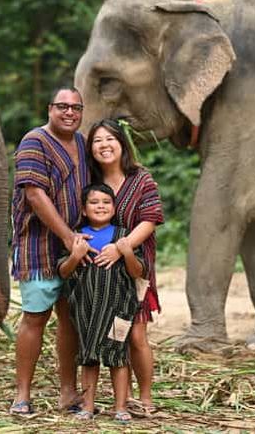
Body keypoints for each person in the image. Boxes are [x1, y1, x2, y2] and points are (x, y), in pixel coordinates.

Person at [9, 87, 90, 416]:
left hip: (76, 245)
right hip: (40, 246)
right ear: (49, 109)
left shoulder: (83, 143)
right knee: (35, 317)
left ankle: (68, 393)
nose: (69, 113)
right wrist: (68, 237)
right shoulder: (34, 142)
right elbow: (35, 195)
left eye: (76, 108)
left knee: (70, 319)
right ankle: (22, 395)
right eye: (62, 107)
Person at [86, 118, 164, 416]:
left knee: (136, 335)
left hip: (135, 267)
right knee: (111, 334)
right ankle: (123, 395)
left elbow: (151, 219)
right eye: (97, 141)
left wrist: (123, 247)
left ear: (121, 143)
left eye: (110, 139)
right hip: (101, 272)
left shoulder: (141, 179)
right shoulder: (91, 182)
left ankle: (144, 397)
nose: (104, 146)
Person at [58, 183, 148, 423]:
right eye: (94, 202)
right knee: (89, 356)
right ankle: (87, 406)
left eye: (106, 202)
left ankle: (120, 408)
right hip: (86, 308)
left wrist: (126, 251)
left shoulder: (123, 236)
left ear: (114, 207)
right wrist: (76, 256)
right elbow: (63, 272)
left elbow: (137, 270)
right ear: (84, 209)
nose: (101, 206)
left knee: (118, 356)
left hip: (119, 308)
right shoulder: (77, 237)